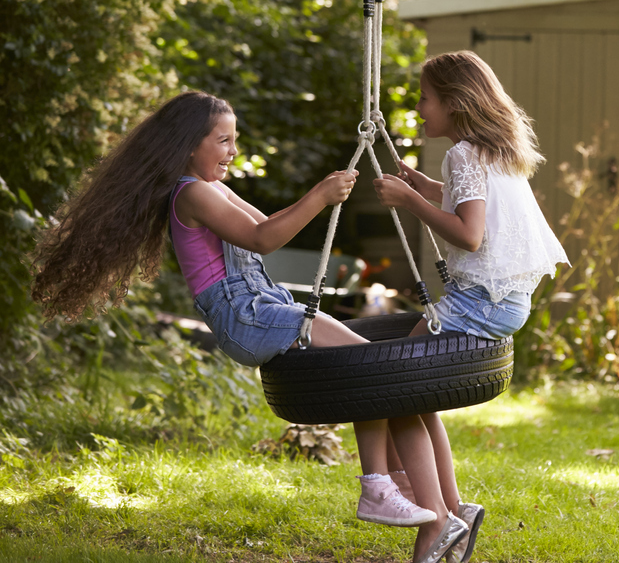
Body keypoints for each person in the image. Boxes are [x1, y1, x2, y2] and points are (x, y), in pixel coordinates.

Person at [31, 91, 471, 563]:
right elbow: (261, 239)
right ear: (188, 145)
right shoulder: (193, 193)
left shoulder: (213, 188)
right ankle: (383, 488)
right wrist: (320, 197)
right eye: (223, 141)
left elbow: (267, 226)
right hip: (245, 316)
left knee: (377, 371)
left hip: (263, 306)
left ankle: (437, 509)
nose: (232, 151)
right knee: (370, 368)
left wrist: (317, 198)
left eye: (235, 140)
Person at [374, 50, 570, 563]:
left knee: (393, 389)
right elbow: (467, 202)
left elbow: (470, 232)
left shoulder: (464, 153)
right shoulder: (491, 151)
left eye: (424, 98)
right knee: (416, 400)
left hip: (478, 301)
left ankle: (437, 519)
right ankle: (455, 508)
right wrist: (422, 184)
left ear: (455, 102)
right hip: (504, 301)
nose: (419, 109)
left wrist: (410, 202)